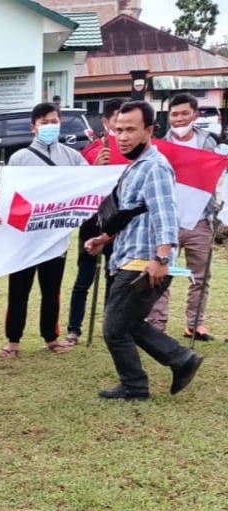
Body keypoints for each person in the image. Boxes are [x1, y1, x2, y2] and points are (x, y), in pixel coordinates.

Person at [84, 101, 202, 400]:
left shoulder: (154, 167)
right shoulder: (137, 167)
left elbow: (166, 215)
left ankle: (136, 386)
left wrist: (161, 258)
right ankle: (180, 359)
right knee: (129, 323)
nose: (122, 137)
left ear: (149, 130)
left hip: (144, 262)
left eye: (130, 130)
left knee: (114, 328)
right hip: (130, 257)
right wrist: (105, 238)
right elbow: (135, 215)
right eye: (118, 130)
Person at [1, 102, 86, 358]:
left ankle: (51, 337)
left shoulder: (72, 157)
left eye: (54, 121)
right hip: (24, 236)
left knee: (52, 290)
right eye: (44, 122)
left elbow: (87, 184)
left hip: (54, 237)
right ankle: (13, 341)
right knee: (19, 290)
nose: (50, 126)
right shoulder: (20, 158)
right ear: (33, 127)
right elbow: (10, 195)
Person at [146, 93, 221, 340]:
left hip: (200, 220)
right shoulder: (160, 146)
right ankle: (157, 324)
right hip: (169, 223)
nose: (179, 119)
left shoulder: (210, 143)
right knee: (160, 274)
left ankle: (195, 325)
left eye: (184, 114)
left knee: (200, 276)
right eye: (175, 114)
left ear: (195, 115)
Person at [66, 97, 128, 345]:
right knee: (84, 278)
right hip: (92, 224)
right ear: (106, 122)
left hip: (121, 226)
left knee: (115, 280)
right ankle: (73, 329)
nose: (121, 129)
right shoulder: (91, 151)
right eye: (117, 122)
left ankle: (110, 325)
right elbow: (79, 189)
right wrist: (94, 168)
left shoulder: (133, 151)